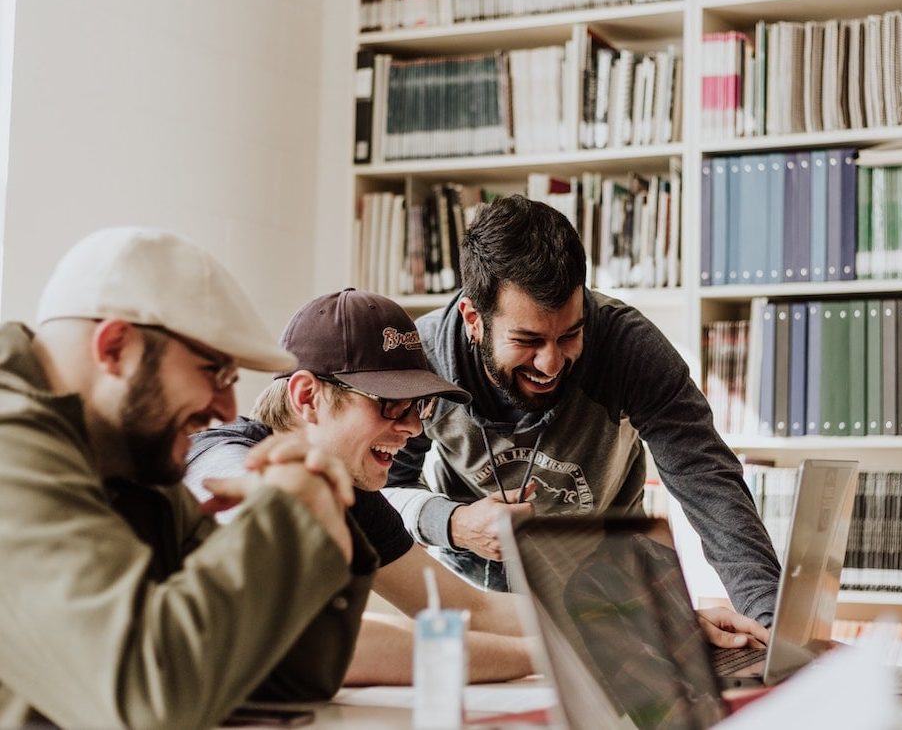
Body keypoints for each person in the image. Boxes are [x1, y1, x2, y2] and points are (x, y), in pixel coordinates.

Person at [0, 228, 376, 729]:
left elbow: (284, 678)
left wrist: (320, 513)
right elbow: (148, 699)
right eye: (215, 372)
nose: (226, 409)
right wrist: (289, 514)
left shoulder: (130, 458)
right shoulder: (10, 445)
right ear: (115, 348)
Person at [384, 194, 781, 628]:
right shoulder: (422, 361)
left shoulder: (629, 347)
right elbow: (383, 491)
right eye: (528, 341)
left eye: (570, 335)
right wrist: (454, 523)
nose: (551, 363)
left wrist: (768, 619)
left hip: (611, 595)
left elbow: (708, 481)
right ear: (473, 319)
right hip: (476, 602)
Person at [185, 288, 534, 685]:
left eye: (418, 406)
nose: (413, 428)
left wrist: (585, 622)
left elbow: (467, 609)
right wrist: (543, 656)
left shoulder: (347, 489)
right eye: (391, 404)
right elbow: (313, 640)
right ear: (307, 397)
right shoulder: (224, 464)